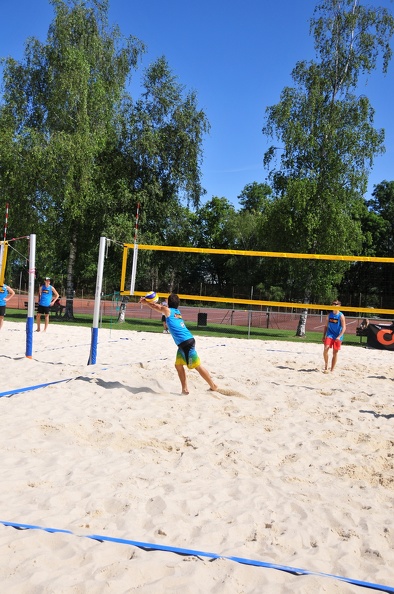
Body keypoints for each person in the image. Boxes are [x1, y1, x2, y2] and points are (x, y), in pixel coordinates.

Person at [139, 293, 218, 394]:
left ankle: (213, 385)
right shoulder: (177, 311)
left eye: (167, 300)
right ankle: (184, 389)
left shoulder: (168, 310)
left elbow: (156, 306)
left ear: (169, 302)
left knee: (197, 366)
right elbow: (157, 307)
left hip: (186, 343)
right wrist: (147, 302)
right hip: (184, 343)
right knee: (178, 365)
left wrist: (146, 302)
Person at [322, 300, 346, 373]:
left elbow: (344, 327)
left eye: (336, 304)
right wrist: (324, 335)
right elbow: (326, 326)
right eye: (333, 304)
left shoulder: (341, 316)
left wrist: (339, 336)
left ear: (339, 306)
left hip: (338, 335)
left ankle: (332, 369)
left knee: (335, 353)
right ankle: (326, 366)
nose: (335, 305)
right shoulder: (329, 315)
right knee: (326, 349)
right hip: (330, 334)